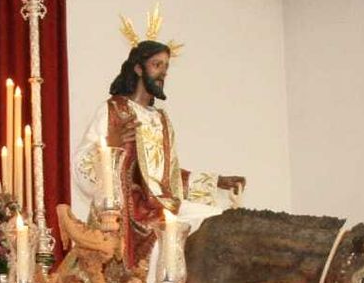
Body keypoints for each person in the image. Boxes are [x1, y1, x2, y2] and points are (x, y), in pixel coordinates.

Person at [71, 38, 243, 268]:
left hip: (162, 203)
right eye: (157, 65)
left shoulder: (162, 120)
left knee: (214, 218)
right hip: (129, 208)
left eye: (166, 66)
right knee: (170, 233)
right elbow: (81, 164)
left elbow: (168, 177)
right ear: (138, 68)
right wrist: (110, 145)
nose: (163, 73)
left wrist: (214, 181)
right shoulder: (113, 110)